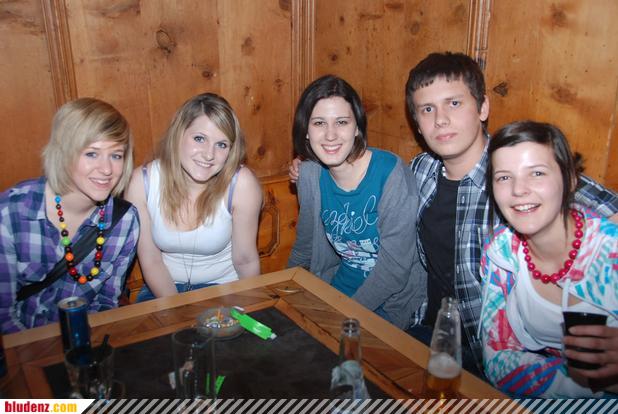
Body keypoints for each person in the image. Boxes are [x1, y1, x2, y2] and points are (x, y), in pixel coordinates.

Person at [404, 52, 618, 378]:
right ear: (418, 123)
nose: (441, 120)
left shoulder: (519, 172)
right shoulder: (421, 171)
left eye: (454, 103)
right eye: (427, 109)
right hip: (429, 331)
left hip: (496, 357)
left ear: (483, 108)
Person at [480, 120, 617, 397]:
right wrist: (591, 388)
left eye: (537, 173)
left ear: (571, 179)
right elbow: (497, 359)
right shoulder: (502, 253)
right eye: (504, 177)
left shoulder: (610, 251)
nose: (518, 190)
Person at [287, 75, 426, 329]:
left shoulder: (390, 173)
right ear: (306, 130)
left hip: (393, 303)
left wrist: (344, 317)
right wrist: (285, 294)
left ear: (357, 127)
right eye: (319, 123)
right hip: (339, 290)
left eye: (341, 122)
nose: (330, 135)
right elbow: (304, 247)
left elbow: (394, 270)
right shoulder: (309, 175)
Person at [0, 98, 140, 333]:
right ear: (63, 153)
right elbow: (3, 317)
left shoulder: (124, 221)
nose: (107, 169)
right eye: (92, 154)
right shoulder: (11, 213)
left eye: (116, 155)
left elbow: (107, 304)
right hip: (23, 344)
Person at [126, 93, 262, 301]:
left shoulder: (241, 184)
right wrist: (178, 308)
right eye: (199, 139)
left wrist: (252, 305)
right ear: (178, 134)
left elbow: (245, 260)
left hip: (223, 288)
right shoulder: (142, 183)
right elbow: (151, 260)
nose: (209, 155)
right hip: (163, 288)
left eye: (222, 144)